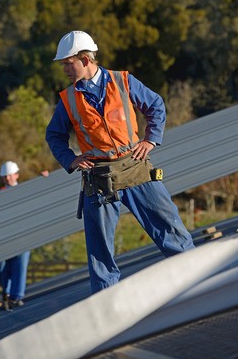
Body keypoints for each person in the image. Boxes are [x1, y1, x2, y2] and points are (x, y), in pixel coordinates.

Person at [46, 30, 195, 294]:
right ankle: (106, 302)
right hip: (99, 178)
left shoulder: (123, 80)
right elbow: (54, 135)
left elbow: (155, 105)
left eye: (68, 63)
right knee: (100, 249)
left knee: (170, 228)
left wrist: (151, 139)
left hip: (135, 167)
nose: (65, 69)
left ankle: (197, 279)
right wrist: (71, 159)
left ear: (84, 59)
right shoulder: (68, 99)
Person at [0, 161, 30, 310]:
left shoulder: (24, 190)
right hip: (2, 237)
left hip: (21, 235)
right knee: (0, 266)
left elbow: (36, 195)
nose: (7, 178)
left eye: (9, 175)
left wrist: (44, 179)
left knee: (20, 265)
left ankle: (15, 297)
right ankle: (6, 293)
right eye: (4, 176)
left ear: (16, 175)